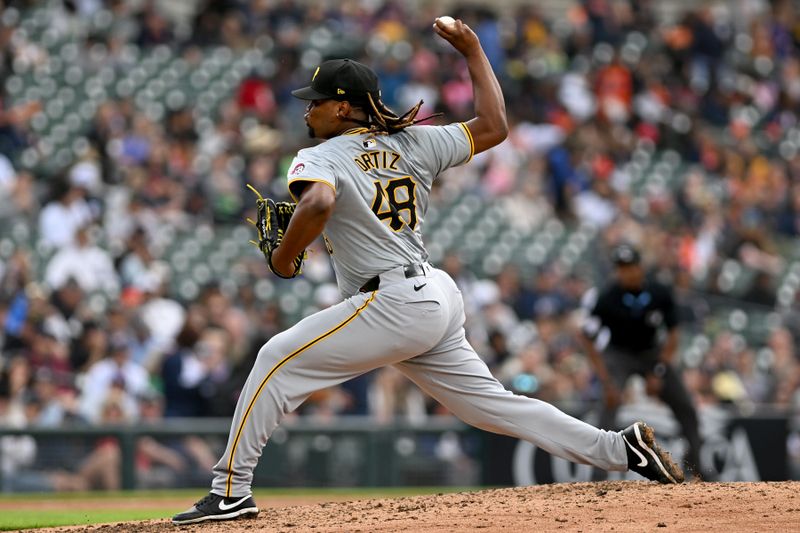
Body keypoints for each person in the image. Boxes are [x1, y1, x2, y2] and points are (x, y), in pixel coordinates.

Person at [173, 19, 684, 525]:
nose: (308, 108)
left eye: (317, 100)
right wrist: (475, 51)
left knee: (274, 359)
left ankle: (230, 492)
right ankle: (621, 449)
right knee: (493, 408)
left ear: (344, 107)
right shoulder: (414, 143)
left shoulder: (318, 155)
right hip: (433, 293)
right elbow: (494, 126)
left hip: (394, 301)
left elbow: (320, 201)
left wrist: (285, 259)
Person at [580, 243, 702, 478]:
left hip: (651, 354)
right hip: (619, 354)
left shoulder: (659, 292)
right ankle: (598, 479)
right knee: (607, 408)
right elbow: (586, 336)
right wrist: (606, 382)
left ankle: (695, 471)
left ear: (640, 267)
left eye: (629, 267)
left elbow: (673, 335)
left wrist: (658, 370)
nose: (625, 272)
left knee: (686, 407)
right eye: (620, 268)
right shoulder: (608, 298)